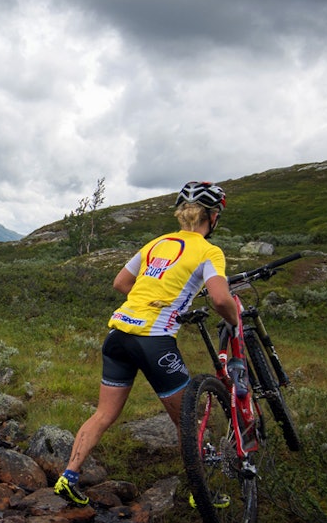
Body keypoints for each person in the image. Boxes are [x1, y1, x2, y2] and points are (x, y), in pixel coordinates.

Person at [54, 181, 240, 505]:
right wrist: (235, 321)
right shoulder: (209, 251)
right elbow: (222, 299)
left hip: (118, 335)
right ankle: (201, 494)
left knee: (103, 414)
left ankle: (68, 476)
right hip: (154, 342)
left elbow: (121, 282)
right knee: (187, 421)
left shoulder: (156, 243)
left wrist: (148, 300)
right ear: (212, 217)